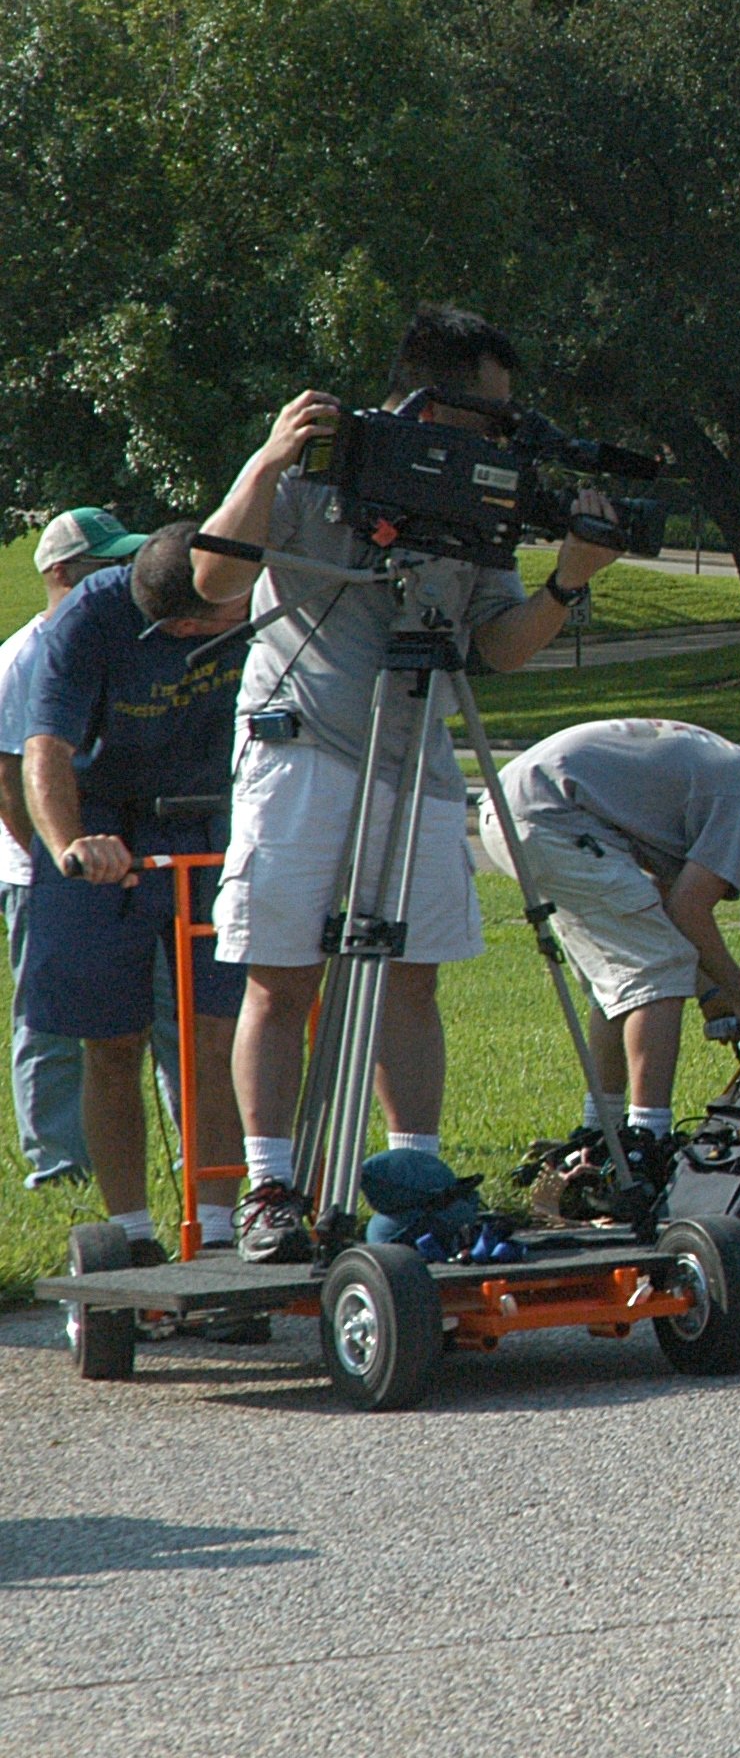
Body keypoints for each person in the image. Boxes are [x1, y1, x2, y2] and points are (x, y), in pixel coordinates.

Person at [196, 307, 632, 1262]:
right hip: (301, 745)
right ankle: (273, 1189)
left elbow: (497, 650)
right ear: (432, 393)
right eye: (488, 412)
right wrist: (267, 463)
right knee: (282, 979)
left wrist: (567, 581)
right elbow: (211, 579)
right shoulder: (323, 457)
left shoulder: (480, 499)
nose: (500, 434)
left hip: (420, 756)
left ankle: (413, 1190)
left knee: (414, 980)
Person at [489, 721, 740, 1157]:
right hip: (551, 813)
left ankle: (599, 1131)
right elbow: (689, 910)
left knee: (620, 985)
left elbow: (666, 899)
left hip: (515, 807)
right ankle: (647, 1138)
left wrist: (712, 992)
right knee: (657, 975)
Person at [18, 524, 252, 1262]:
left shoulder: (252, 587)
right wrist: (68, 846)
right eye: (209, 623)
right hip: (105, 826)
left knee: (216, 1035)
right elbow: (44, 748)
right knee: (112, 1043)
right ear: (176, 622)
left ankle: (216, 1230)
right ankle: (131, 1236)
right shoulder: (89, 618)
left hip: (210, 817)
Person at [0, 510, 179, 1188]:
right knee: (51, 1024)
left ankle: (191, 1150)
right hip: (39, 868)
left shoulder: (110, 643)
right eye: (102, 568)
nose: (117, 580)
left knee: (162, 1013)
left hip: (116, 863)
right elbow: (12, 776)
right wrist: (54, 861)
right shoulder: (26, 656)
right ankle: (58, 1161)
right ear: (58, 574)